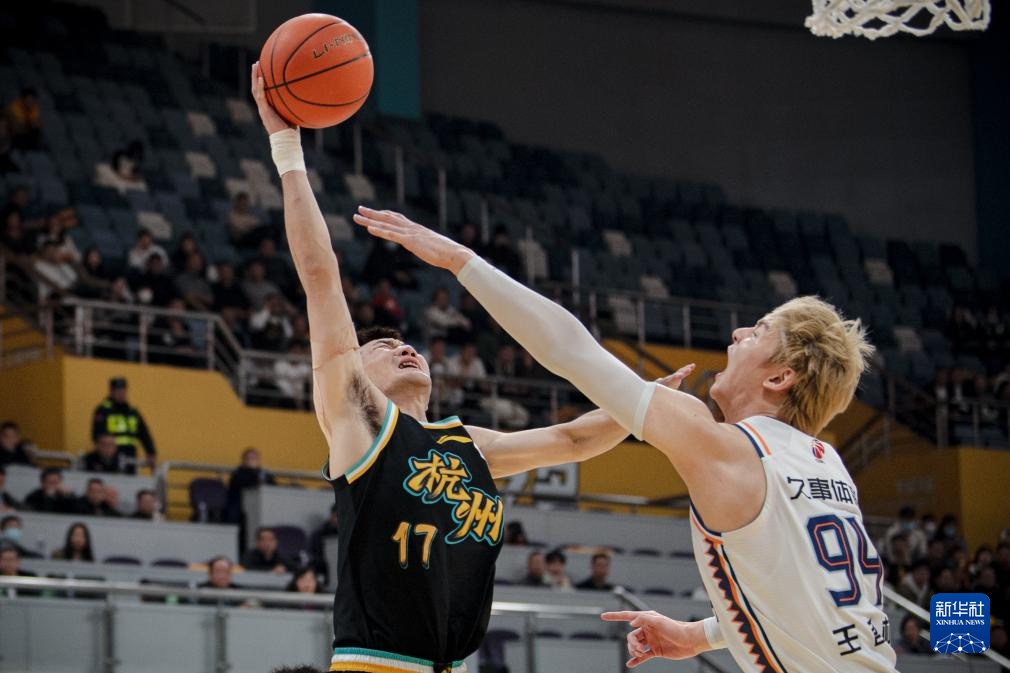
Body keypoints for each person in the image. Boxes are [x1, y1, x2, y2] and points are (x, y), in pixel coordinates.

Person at [250, 67, 680, 673]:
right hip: (377, 663)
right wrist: (287, 149)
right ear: (356, 372)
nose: (402, 347)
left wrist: (644, 402)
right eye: (383, 345)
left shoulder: (466, 443)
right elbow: (321, 277)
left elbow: (573, 440)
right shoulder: (359, 422)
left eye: (406, 342)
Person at [351, 208, 897, 672]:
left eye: (757, 333)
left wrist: (458, 260)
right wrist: (701, 635)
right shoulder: (828, 464)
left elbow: (569, 349)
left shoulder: (725, 447)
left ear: (779, 377)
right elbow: (804, 598)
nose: (737, 333)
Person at [91, 377, 157, 473]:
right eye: (118, 390)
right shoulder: (103, 410)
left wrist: (151, 452)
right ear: (111, 391)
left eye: (123, 390)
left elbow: (144, 433)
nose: (121, 393)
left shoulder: (132, 411)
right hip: (112, 459)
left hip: (131, 457)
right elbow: (98, 435)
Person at [225, 447, 276, 524]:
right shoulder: (237, 474)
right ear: (243, 460)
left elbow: (273, 487)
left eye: (254, 458)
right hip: (241, 508)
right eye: (248, 458)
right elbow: (243, 485)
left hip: (263, 507)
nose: (251, 461)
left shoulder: (265, 474)